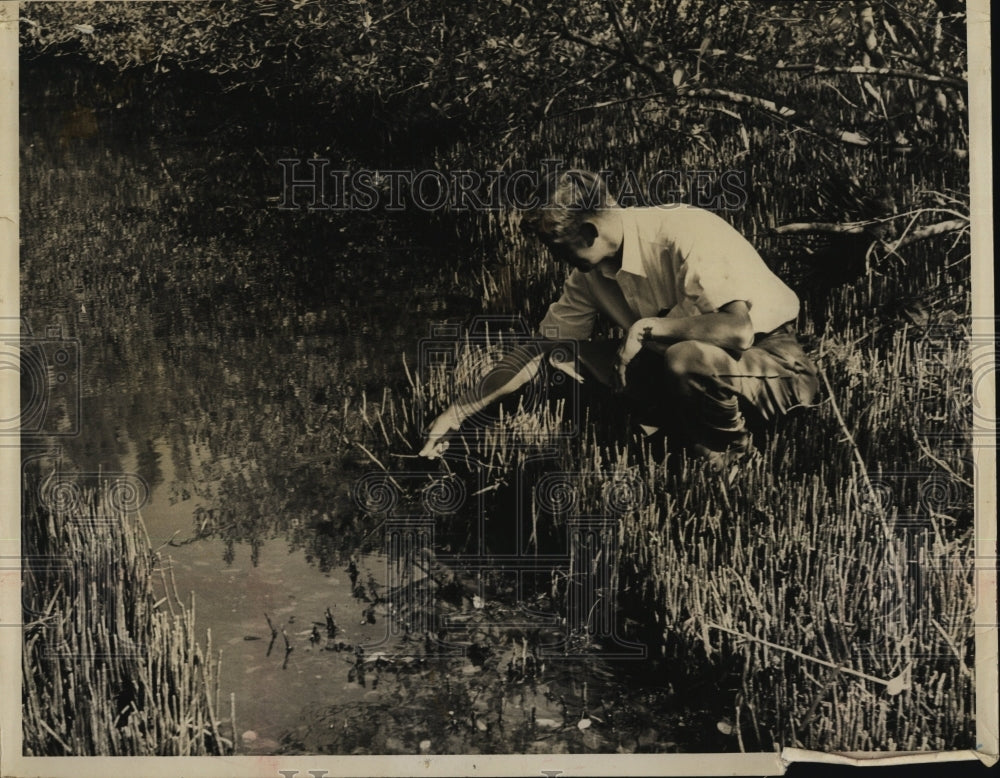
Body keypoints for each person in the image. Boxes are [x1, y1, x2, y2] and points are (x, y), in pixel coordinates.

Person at [419, 169, 819, 469]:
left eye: (557, 248)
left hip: (774, 364)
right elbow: (541, 349)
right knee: (560, 355)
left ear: (591, 231)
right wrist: (456, 412)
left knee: (684, 357)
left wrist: (649, 328)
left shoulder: (684, 232)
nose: (555, 259)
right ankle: (669, 430)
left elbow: (737, 330)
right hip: (683, 369)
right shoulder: (590, 273)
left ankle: (731, 458)